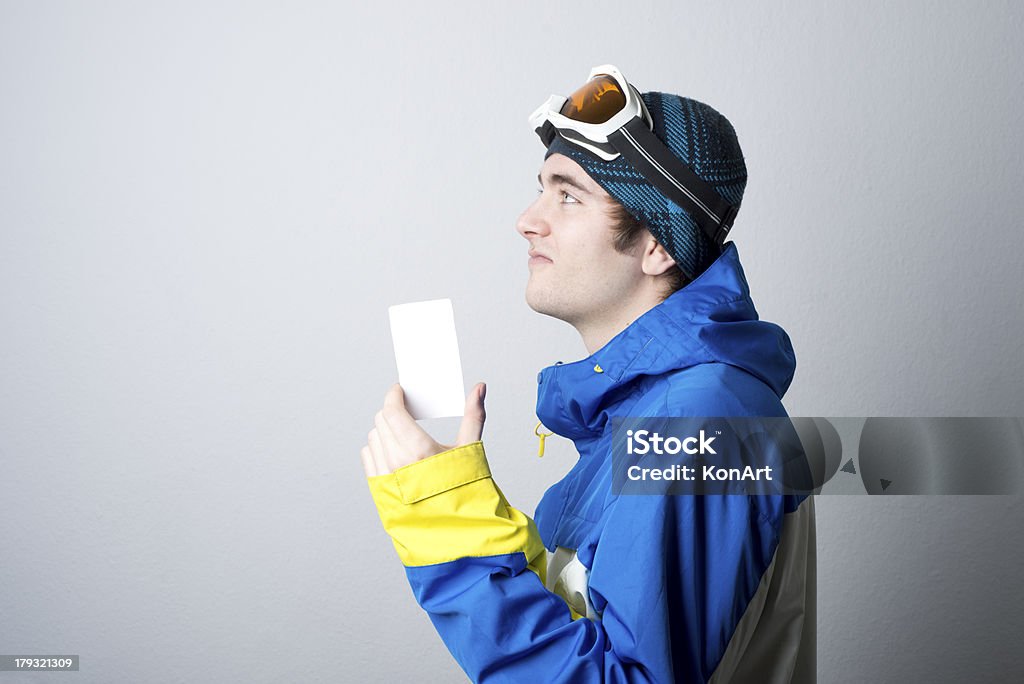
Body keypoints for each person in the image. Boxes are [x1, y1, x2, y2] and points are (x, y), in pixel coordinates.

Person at [359, 64, 816, 683]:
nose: (529, 218)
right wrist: (465, 511)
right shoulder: (637, 426)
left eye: (568, 195)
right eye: (542, 188)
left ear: (658, 245)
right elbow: (577, 626)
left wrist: (445, 520)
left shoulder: (703, 419)